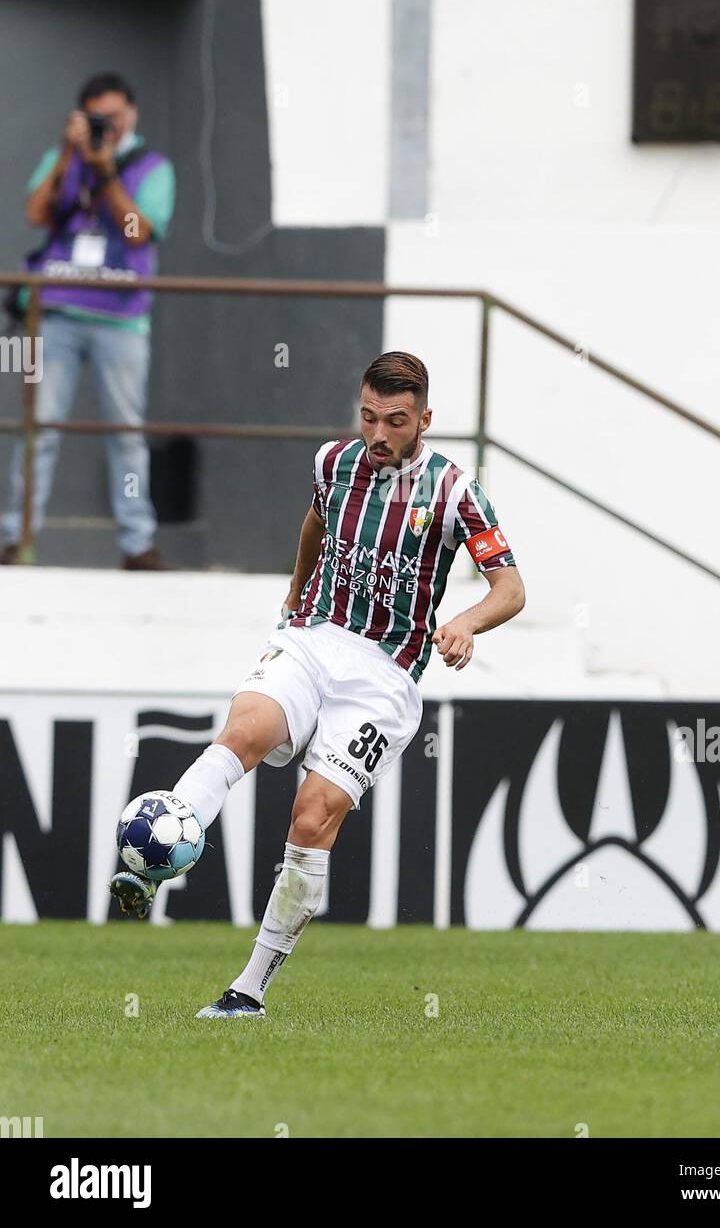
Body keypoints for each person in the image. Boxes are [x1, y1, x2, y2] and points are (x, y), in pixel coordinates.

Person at [110, 351, 526, 1017]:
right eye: (368, 417)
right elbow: (315, 523)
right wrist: (294, 597)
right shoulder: (334, 463)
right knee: (244, 730)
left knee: (312, 816)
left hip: (384, 677)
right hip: (312, 638)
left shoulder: (455, 492)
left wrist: (468, 623)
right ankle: (157, 856)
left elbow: (511, 588)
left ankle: (248, 989)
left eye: (395, 421)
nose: (378, 434)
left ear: (424, 419)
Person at [1, 72, 176, 570]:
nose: (108, 126)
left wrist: (105, 174)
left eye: (115, 116)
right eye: (99, 117)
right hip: (56, 312)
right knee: (41, 427)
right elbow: (36, 213)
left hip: (121, 319)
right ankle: (19, 537)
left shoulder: (153, 168)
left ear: (133, 115)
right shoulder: (65, 158)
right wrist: (67, 155)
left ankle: (137, 542)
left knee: (126, 433)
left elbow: (136, 231)